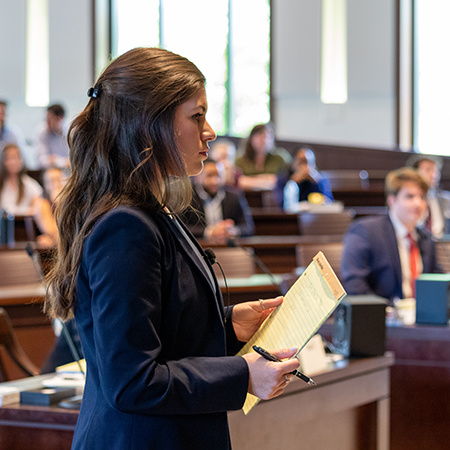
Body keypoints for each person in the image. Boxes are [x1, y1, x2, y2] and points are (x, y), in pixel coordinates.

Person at [44, 47, 299, 449]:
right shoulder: (125, 225)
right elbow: (132, 381)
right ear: (151, 124)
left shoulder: (150, 209)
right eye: (197, 116)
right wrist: (244, 375)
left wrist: (228, 324)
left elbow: (164, 329)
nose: (210, 131)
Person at [340, 167, 443, 303]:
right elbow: (355, 285)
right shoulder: (366, 231)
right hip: (382, 318)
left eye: (422, 197)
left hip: (420, 318)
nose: (418, 203)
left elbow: (438, 281)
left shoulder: (426, 239)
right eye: (410, 196)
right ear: (392, 200)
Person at [181, 159, 254, 243]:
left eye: (218, 176)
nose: (215, 181)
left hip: (227, 246)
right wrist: (209, 232)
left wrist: (233, 231)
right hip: (199, 246)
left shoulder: (234, 197)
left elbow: (248, 227)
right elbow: (182, 228)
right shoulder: (187, 197)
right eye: (209, 175)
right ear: (199, 177)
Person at [235, 123, 291, 191]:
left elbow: (276, 182)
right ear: (251, 139)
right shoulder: (240, 160)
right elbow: (240, 182)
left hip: (272, 198)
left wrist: (250, 179)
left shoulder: (279, 159)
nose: (264, 140)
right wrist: (265, 179)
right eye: (260, 136)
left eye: (268, 137)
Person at [277, 146, 333, 211]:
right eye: (302, 162)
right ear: (293, 162)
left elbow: (329, 203)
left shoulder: (319, 180)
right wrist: (293, 181)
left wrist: (318, 183)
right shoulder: (283, 179)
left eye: (310, 163)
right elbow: (282, 205)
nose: (306, 167)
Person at [408, 155, 450, 238]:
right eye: (428, 170)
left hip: (441, 245)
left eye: (436, 171)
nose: (434, 175)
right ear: (415, 173)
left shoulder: (446, 200)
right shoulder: (408, 200)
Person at [34, 103, 71, 169]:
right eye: (46, 119)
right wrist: (64, 162)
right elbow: (41, 161)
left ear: (59, 118)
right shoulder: (42, 131)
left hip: (69, 172)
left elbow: (73, 161)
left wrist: (55, 160)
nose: (47, 123)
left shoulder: (71, 132)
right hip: (49, 172)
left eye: (49, 119)